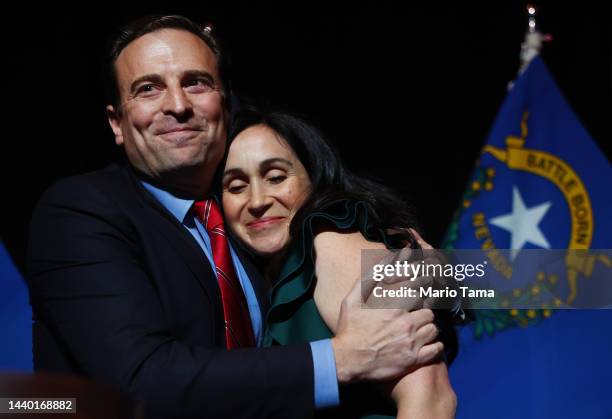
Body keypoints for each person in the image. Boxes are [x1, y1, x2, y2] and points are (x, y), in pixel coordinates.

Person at [26, 15, 450, 419]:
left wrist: (447, 273)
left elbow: (505, 295)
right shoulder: (82, 211)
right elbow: (140, 383)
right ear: (117, 123)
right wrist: (342, 359)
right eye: (149, 88)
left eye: (196, 82)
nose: (177, 105)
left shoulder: (321, 238)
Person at [221, 109, 458, 418]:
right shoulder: (270, 276)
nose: (257, 201)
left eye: (276, 177)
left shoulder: (327, 242)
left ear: (315, 178)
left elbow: (432, 398)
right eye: (236, 187)